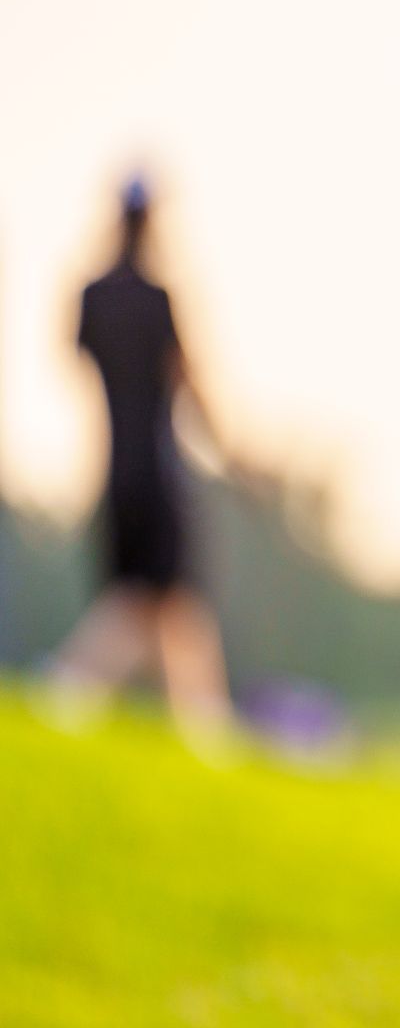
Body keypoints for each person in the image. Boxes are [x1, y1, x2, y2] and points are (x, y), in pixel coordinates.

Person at [40, 174, 240, 749]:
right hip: (157, 468)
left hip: (111, 472)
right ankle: (66, 694)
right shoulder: (158, 299)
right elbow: (190, 380)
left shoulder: (91, 295)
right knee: (144, 602)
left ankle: (207, 738)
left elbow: (73, 360)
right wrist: (234, 458)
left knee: (171, 608)